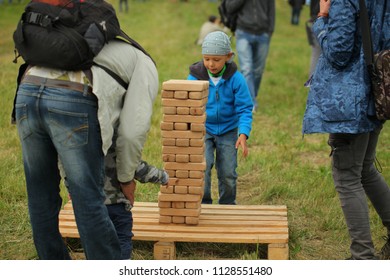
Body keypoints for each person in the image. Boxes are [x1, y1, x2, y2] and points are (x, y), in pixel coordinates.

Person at [302, 0, 390, 260]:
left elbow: (339, 52)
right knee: (364, 169)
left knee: (347, 176)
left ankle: (362, 257)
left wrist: (321, 18)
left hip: (349, 101)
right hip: (378, 90)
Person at [187, 31, 253, 205]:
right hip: (204, 129)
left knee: (228, 173)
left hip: (228, 130)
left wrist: (243, 133)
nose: (211, 64)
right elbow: (187, 106)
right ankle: (204, 204)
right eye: (207, 59)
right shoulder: (194, 78)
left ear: (228, 56)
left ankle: (227, 205)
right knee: (203, 168)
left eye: (216, 60)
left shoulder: (236, 79)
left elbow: (245, 108)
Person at [225, 0, 275, 112]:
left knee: (258, 70)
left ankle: (252, 95)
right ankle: (250, 101)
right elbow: (229, 7)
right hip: (243, 32)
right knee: (246, 68)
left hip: (263, 34)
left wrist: (270, 30)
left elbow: (271, 10)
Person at [306, 0, 321, 77]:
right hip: (321, 19)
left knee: (315, 54)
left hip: (315, 18)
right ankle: (312, 83)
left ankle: (312, 83)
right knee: (317, 54)